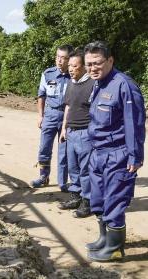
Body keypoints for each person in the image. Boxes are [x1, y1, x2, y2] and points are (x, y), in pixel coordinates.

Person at [84, 41, 145, 262]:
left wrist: (135, 155)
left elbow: (134, 123)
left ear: (110, 60)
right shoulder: (98, 84)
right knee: (98, 200)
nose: (92, 68)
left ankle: (115, 248)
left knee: (115, 201)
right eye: (88, 64)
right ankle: (104, 239)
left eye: (97, 63)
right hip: (98, 153)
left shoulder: (124, 85)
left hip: (117, 154)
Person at [31, 45, 73, 192]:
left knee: (64, 152)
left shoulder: (75, 75)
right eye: (57, 57)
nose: (59, 60)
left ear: (70, 59)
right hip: (50, 115)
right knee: (44, 149)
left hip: (67, 117)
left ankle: (62, 182)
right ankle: (43, 177)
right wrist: (40, 116)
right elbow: (41, 95)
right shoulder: (48, 74)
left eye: (63, 58)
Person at [58, 49, 94, 218]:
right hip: (71, 132)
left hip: (85, 133)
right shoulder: (72, 82)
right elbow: (68, 106)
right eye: (70, 65)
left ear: (84, 67)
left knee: (85, 169)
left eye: (75, 66)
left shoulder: (93, 84)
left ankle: (87, 202)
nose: (71, 69)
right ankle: (75, 196)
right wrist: (64, 128)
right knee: (73, 167)